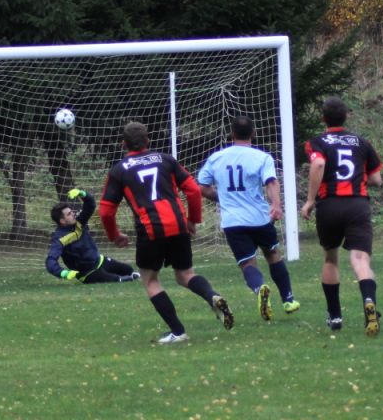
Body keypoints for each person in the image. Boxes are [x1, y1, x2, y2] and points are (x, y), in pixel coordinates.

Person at [99, 121, 233, 345]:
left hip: (150, 230)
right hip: (178, 225)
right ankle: (212, 296)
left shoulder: (119, 170)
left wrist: (114, 235)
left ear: (123, 144)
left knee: (150, 280)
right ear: (148, 141)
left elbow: (105, 211)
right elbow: (192, 190)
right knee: (186, 275)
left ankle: (178, 332)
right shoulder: (165, 160)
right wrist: (192, 220)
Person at [197, 115, 300, 321]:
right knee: (272, 254)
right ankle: (288, 299)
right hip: (259, 218)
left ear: (232, 134)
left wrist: (222, 198)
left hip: (233, 221)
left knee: (247, 264)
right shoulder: (262, 157)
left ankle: (259, 288)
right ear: (253, 134)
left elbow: (202, 187)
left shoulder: (217, 158)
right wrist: (276, 206)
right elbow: (271, 182)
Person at [301, 97, 383, 335]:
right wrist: (360, 179)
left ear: (323, 118)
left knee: (330, 258)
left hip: (330, 205)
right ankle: (369, 303)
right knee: (360, 260)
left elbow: (317, 165)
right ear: (346, 116)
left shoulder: (317, 142)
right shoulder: (362, 142)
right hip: (357, 205)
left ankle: (335, 316)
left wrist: (309, 201)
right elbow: (377, 179)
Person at [46, 188, 140, 283]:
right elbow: (50, 261)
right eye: (69, 214)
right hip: (86, 273)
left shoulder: (79, 222)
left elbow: (90, 206)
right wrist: (63, 273)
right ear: (62, 221)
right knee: (118, 280)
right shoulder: (59, 239)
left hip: (99, 261)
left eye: (72, 212)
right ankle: (117, 278)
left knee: (129, 270)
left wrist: (83, 194)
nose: (73, 214)